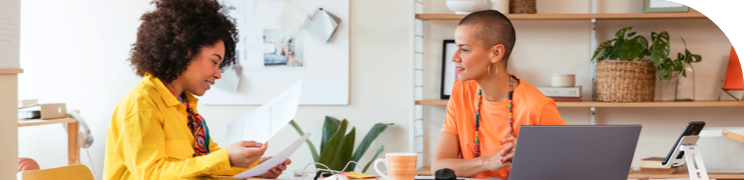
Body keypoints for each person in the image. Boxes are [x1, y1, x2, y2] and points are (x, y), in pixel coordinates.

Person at [103, 0, 290, 179]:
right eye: (214, 62)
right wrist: (227, 158)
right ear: (186, 51)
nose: (218, 74)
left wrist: (256, 168)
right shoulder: (141, 103)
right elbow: (151, 176)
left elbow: (203, 164)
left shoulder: (186, 108)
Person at [431, 10, 566, 178]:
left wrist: (532, 155)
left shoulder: (537, 106)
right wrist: (490, 162)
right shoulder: (461, 92)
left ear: (495, 53)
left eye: (464, 49)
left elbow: (567, 167)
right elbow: (439, 167)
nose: (453, 57)